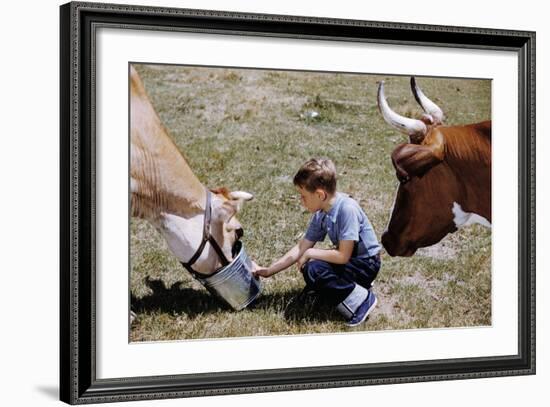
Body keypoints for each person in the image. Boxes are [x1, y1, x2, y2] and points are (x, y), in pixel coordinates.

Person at [254, 158, 382, 326]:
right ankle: (348, 285)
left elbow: (343, 256)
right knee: (311, 268)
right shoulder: (321, 212)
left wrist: (310, 253)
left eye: (304, 196)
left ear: (320, 194)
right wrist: (268, 271)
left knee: (315, 268)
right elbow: (302, 246)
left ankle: (362, 301)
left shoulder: (347, 209)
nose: (301, 201)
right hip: (351, 260)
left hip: (366, 264)